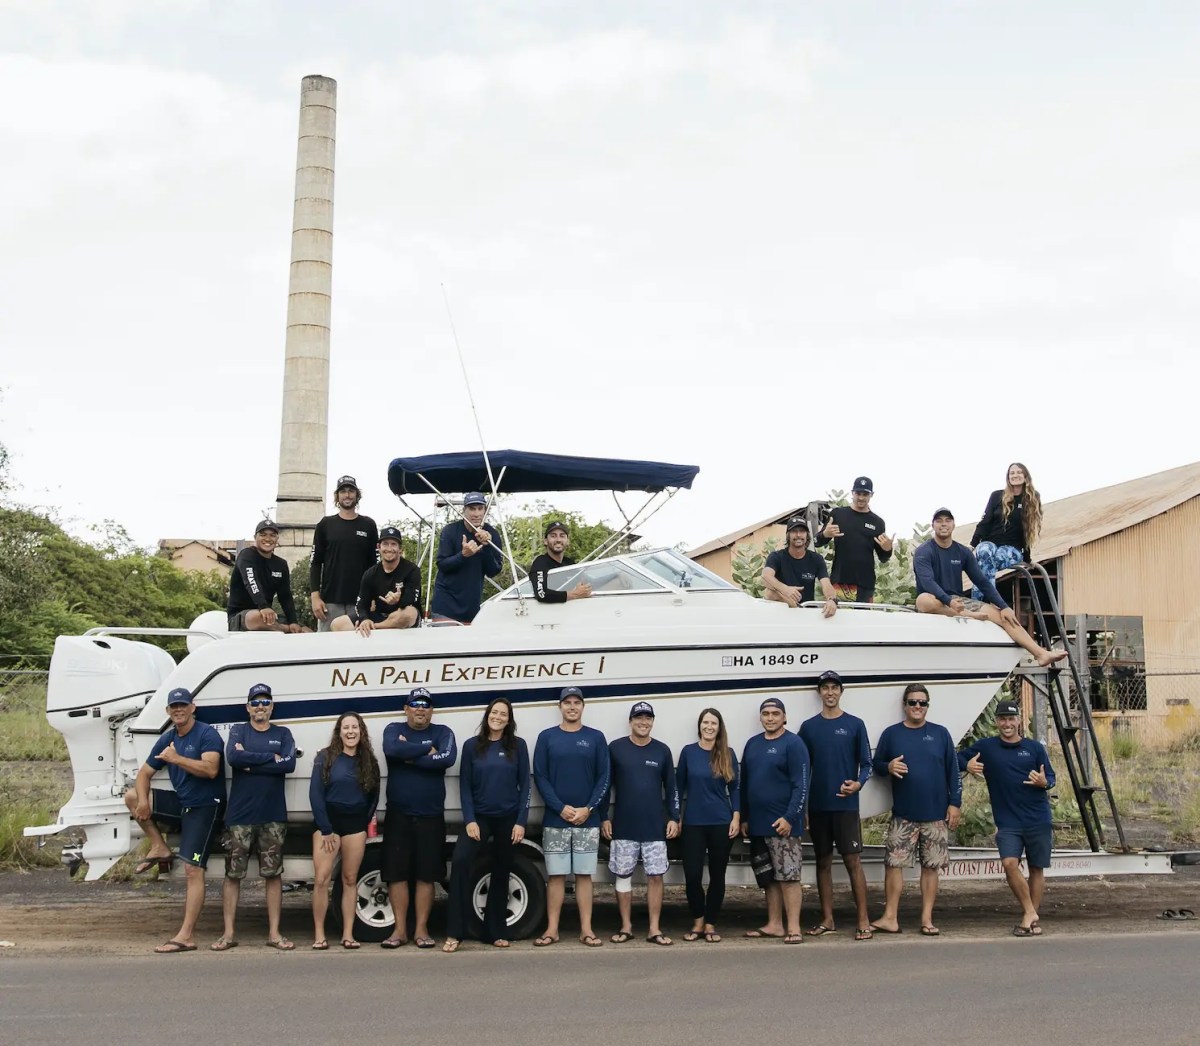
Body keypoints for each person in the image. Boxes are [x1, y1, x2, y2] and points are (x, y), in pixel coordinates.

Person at [123, 687, 225, 953]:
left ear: (193, 707)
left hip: (205, 806)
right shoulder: (168, 738)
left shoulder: (206, 734)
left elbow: (211, 769)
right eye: (173, 707)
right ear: (168, 712)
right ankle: (160, 846)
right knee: (132, 796)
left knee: (193, 870)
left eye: (183, 705)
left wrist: (175, 758)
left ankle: (186, 936)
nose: (178, 710)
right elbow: (144, 773)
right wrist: (144, 802)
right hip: (182, 803)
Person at [914, 508, 1067, 668]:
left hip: (959, 602)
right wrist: (948, 602)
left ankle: (1040, 653)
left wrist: (1004, 606)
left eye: (947, 520)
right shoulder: (924, 551)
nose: (943, 524)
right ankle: (968, 615)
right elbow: (927, 582)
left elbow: (982, 581)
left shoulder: (963, 552)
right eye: (939, 521)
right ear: (933, 525)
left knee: (1005, 616)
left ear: (953, 525)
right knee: (923, 600)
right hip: (936, 600)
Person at [958, 699, 1057, 936]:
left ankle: (1031, 919)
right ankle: (1030, 911)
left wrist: (1044, 783)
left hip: (1037, 818)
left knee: (1036, 868)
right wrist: (968, 765)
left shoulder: (1034, 748)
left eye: (1011, 719)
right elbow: (956, 759)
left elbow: (1051, 778)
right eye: (1002, 719)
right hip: (1008, 821)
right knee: (1009, 864)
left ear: (1019, 720)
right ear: (996, 722)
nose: (1007, 724)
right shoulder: (987, 747)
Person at [870, 683, 961, 937]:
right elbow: (875, 764)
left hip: (935, 815)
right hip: (904, 815)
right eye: (912, 702)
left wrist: (955, 803)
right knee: (893, 865)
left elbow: (953, 771)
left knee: (931, 867)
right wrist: (888, 767)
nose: (917, 707)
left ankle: (927, 919)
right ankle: (890, 917)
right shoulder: (892, 734)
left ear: (928, 706)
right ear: (904, 705)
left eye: (922, 703)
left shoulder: (941, 734)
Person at [212, 682, 297, 952]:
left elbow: (290, 763)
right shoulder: (238, 730)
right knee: (232, 875)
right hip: (239, 817)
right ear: (248, 707)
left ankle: (274, 933)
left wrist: (252, 763)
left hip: (272, 817)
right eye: (255, 702)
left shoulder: (283, 733)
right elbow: (234, 757)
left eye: (265, 702)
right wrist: (269, 759)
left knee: (272, 875)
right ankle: (228, 934)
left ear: (272, 706)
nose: (260, 707)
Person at [443, 697, 531, 952]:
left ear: (509, 719)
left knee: (502, 871)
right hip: (479, 818)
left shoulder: (518, 746)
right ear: (487, 715)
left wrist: (521, 822)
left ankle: (495, 932)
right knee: (460, 863)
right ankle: (454, 933)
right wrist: (469, 819)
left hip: (508, 819)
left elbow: (525, 785)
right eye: (495, 712)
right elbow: (465, 786)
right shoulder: (473, 746)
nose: (498, 717)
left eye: (503, 714)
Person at [532, 686, 610, 948]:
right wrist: (559, 807)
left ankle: (586, 930)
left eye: (577, 702)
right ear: (560, 707)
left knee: (584, 876)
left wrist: (588, 808)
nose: (572, 706)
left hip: (588, 820)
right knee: (555, 876)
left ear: (583, 707)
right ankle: (552, 929)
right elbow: (540, 776)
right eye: (568, 702)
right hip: (556, 820)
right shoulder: (547, 737)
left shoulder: (596, 738)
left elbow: (604, 778)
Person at [380, 688, 458, 949]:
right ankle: (400, 930)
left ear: (431, 710)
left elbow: (447, 757)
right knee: (397, 874)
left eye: (426, 704)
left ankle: (421, 930)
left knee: (427, 875)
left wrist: (409, 755)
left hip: (431, 815)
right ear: (406, 708)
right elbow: (391, 749)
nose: (421, 709)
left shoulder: (443, 731)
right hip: (398, 814)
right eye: (415, 704)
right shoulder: (393, 729)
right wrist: (427, 750)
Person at [799, 670, 873, 941]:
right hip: (818, 807)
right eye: (825, 688)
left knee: (853, 861)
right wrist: (804, 806)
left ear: (841, 691)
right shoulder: (808, 727)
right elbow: (802, 768)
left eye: (834, 688)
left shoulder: (855, 724)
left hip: (846, 806)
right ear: (819, 692)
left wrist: (858, 784)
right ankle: (827, 919)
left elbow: (867, 764)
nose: (830, 692)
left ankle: (863, 920)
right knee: (822, 862)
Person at [603, 701, 681, 946]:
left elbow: (672, 788)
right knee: (623, 876)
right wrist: (603, 816)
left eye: (647, 718)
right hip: (623, 825)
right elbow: (605, 786)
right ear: (630, 721)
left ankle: (654, 929)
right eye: (638, 718)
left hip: (655, 826)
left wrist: (674, 818)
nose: (643, 722)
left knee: (655, 877)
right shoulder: (615, 748)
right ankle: (626, 927)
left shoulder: (662, 751)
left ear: (653, 722)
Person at [740, 697, 810, 944]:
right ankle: (774, 924)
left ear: (784, 717)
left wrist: (791, 817)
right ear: (760, 717)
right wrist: (745, 817)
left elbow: (801, 785)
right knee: (768, 878)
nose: (770, 718)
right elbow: (744, 784)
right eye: (766, 713)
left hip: (784, 825)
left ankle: (793, 927)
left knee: (789, 877)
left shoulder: (794, 743)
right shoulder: (752, 744)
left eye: (775, 713)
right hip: (757, 825)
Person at [309, 712, 380, 950]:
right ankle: (319, 934)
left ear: (361, 731)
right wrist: (326, 829)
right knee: (321, 879)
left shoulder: (368, 759)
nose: (351, 732)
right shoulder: (325, 756)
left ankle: (348, 934)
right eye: (346, 727)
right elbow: (316, 795)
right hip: (328, 825)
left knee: (350, 879)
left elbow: (374, 795)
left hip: (355, 827)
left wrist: (363, 821)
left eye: (355, 727)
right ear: (339, 731)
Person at [675, 707, 740, 943]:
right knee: (692, 875)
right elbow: (678, 787)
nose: (709, 727)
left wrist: (735, 817)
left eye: (713, 723)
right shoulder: (688, 752)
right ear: (700, 726)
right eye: (705, 722)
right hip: (693, 822)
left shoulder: (727, 753)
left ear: (719, 727)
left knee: (717, 875)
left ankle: (710, 923)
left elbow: (735, 789)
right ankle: (698, 921)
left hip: (721, 823)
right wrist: (676, 815)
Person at [309, 475, 379, 631]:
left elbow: (375, 564)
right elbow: (315, 562)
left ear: (357, 495)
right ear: (337, 496)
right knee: (327, 650)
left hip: (360, 602)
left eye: (351, 491)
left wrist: (374, 596)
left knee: (358, 649)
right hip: (330, 602)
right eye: (343, 491)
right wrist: (315, 597)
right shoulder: (325, 524)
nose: (347, 495)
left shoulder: (368, 525)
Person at [970, 463, 1043, 600]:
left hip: (1012, 547)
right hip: (990, 542)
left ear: (1026, 476)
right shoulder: (997, 496)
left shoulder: (1032, 499)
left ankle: (980, 602)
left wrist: (1027, 558)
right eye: (1012, 473)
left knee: (989, 563)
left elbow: (1028, 530)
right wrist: (973, 544)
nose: (1015, 475)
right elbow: (985, 522)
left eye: (1019, 472)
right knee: (985, 553)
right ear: (1008, 477)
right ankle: (990, 601)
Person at [814, 476, 893, 603]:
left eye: (865, 494)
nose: (861, 497)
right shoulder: (837, 514)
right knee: (837, 621)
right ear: (852, 493)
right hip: (840, 582)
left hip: (865, 585)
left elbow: (883, 558)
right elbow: (816, 542)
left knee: (863, 622)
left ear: (871, 495)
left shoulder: (878, 522)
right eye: (858, 493)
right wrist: (825, 534)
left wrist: (888, 549)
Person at [330, 526, 421, 634]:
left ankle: (374, 628)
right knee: (337, 624)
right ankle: (368, 627)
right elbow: (361, 604)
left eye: (393, 544)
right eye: (385, 544)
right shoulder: (370, 573)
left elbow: (412, 599)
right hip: (380, 615)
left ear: (400, 549)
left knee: (408, 614)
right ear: (379, 547)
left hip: (401, 614)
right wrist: (364, 619)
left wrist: (398, 600)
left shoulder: (412, 570)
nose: (389, 548)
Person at [430, 492, 504, 624]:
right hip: (445, 607)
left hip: (472, 610)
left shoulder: (492, 534)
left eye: (480, 508)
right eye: (471, 508)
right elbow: (442, 564)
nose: (476, 514)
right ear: (463, 510)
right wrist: (463, 555)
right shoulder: (450, 531)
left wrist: (486, 546)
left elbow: (493, 571)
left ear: (485, 511)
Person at [227, 520, 308, 633]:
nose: (268, 539)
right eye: (263, 535)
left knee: (304, 630)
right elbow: (251, 581)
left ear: (277, 539)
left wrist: (293, 621)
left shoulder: (281, 564)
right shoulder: (246, 555)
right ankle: (285, 630)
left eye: (272, 535)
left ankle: (287, 628)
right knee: (256, 618)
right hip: (242, 617)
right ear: (255, 537)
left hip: (267, 615)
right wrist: (263, 606)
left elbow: (285, 596)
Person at [761, 516, 837, 617]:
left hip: (807, 613)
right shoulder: (776, 557)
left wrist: (831, 600)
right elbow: (766, 577)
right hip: (781, 614)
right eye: (794, 531)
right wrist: (786, 590)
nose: (798, 535)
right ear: (788, 535)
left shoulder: (816, 559)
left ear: (807, 535)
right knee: (770, 593)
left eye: (802, 531)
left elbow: (826, 585)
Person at [530, 520, 592, 603]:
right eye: (553, 536)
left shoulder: (569, 563)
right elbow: (541, 594)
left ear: (567, 541)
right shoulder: (541, 562)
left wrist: (614, 575)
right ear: (545, 541)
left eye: (562, 536)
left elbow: (590, 583)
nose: (558, 540)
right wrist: (574, 594)